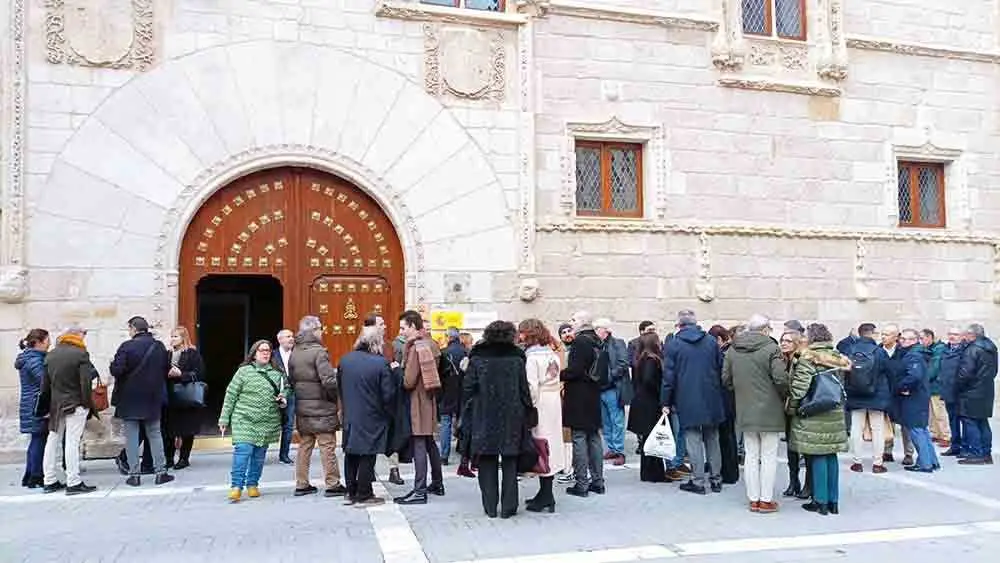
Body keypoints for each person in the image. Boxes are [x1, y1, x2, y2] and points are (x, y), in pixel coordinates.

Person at [461, 321, 532, 518]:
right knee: (510, 461)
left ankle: (490, 506)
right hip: (512, 414)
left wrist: (468, 410)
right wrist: (528, 411)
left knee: (486, 459)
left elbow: (467, 387)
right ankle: (508, 507)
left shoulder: (478, 357)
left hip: (484, 413)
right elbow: (524, 389)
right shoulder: (517, 357)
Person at [722, 315, 787, 513]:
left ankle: (753, 498)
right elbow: (780, 379)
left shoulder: (733, 349)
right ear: (766, 329)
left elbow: (726, 379)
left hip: (745, 407)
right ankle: (765, 499)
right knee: (768, 455)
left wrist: (741, 392)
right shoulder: (772, 348)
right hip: (770, 408)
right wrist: (783, 396)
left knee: (751, 455)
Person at [661, 310, 725, 496]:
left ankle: (698, 481)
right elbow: (720, 367)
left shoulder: (674, 344)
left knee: (693, 439)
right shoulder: (711, 341)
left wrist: (665, 401)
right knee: (712, 438)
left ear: (679, 325)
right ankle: (716, 479)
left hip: (686, 397)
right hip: (711, 395)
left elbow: (669, 377)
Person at [788, 324, 849, 516]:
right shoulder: (838, 357)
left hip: (813, 411)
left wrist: (791, 408)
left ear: (810, 339)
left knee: (818, 454)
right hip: (834, 410)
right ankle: (833, 501)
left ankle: (820, 501)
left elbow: (799, 389)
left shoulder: (808, 358)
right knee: (831, 454)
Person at [110, 316, 174, 487]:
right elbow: (166, 369)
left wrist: (112, 364)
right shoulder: (158, 346)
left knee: (132, 436)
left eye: (129, 328)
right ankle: (161, 472)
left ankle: (134, 475)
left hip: (130, 398)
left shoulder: (126, 347)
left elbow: (117, 370)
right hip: (152, 396)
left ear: (133, 328)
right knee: (155, 434)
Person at [219, 340, 285, 502]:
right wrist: (224, 418)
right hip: (244, 419)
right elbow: (231, 394)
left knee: (259, 456)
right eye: (261, 350)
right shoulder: (243, 372)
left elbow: (287, 389)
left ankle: (253, 483)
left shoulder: (277, 373)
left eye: (268, 351)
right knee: (243, 451)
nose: (265, 353)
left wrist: (283, 397)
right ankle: (236, 486)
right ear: (254, 354)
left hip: (267, 421)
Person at [339, 326, 397, 507]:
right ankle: (364, 494)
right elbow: (388, 394)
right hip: (373, 415)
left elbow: (339, 387)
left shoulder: (345, 360)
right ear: (377, 343)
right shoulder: (380, 363)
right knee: (368, 454)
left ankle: (350, 492)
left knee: (351, 452)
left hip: (350, 413)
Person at [289, 315, 347, 497]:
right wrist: (334, 398)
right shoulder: (319, 352)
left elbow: (292, 380)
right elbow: (328, 381)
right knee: (327, 446)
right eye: (320, 328)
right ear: (314, 330)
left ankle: (301, 483)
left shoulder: (295, 352)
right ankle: (332, 483)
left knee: (305, 446)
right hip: (322, 407)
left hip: (303, 407)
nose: (322, 332)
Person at [394, 310, 446, 505]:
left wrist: (397, 370)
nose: (401, 332)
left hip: (418, 400)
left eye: (403, 328)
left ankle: (419, 490)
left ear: (413, 326)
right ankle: (437, 483)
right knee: (429, 442)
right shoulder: (431, 343)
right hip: (430, 398)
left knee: (419, 443)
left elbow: (409, 381)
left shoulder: (417, 347)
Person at [41, 325, 99, 495]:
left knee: (52, 440)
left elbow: (45, 386)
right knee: (72, 442)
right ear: (76, 335)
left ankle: (49, 480)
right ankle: (73, 482)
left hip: (56, 404)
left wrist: (46, 406)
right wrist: (87, 405)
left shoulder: (51, 355)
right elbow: (85, 384)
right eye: (83, 334)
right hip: (75, 403)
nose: (84, 338)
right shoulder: (81, 354)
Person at [519, 319, 564, 513]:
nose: (520, 336)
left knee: (541, 447)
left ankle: (546, 495)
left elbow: (532, 386)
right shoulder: (551, 353)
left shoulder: (532, 358)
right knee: (551, 446)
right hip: (553, 401)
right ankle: (545, 493)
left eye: (522, 332)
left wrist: (528, 408)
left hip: (541, 404)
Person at [560, 311, 605, 497]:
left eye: (573, 320)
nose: (571, 323)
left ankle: (581, 484)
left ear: (582, 322)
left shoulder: (580, 341)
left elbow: (576, 370)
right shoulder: (596, 340)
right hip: (593, 393)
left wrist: (559, 375)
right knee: (594, 437)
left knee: (579, 437)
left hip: (579, 394)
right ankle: (598, 481)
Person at [364, 314, 406, 486]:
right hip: (372, 397)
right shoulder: (364, 346)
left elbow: (394, 364)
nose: (385, 326)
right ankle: (369, 470)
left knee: (392, 434)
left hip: (389, 395)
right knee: (371, 435)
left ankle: (394, 470)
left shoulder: (389, 345)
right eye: (381, 324)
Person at [844, 323, 891, 474]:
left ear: (859, 333)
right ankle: (877, 463)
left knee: (856, 429)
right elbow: (889, 372)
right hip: (876, 395)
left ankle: (857, 462)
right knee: (877, 429)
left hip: (855, 393)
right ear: (872, 333)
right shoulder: (879, 351)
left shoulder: (850, 350)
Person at [628, 332, 670, 483]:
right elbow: (649, 380)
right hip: (650, 402)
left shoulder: (641, 359)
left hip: (642, 401)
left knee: (648, 438)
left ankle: (648, 473)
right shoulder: (652, 360)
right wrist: (660, 393)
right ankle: (656, 473)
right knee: (654, 438)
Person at [897, 329, 939, 473]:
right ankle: (931, 461)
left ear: (915, 340)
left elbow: (914, 376)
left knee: (916, 430)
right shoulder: (918, 353)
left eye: (907, 339)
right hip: (920, 395)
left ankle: (925, 464)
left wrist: (902, 386)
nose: (903, 342)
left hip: (913, 396)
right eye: (902, 339)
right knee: (922, 429)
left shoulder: (913, 355)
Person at [163, 326, 205, 470]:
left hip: (187, 397)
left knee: (187, 428)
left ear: (183, 338)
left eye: (175, 336)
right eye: (172, 336)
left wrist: (182, 374)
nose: (172, 339)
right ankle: (169, 458)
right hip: (170, 396)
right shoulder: (167, 354)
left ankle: (184, 458)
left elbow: (200, 373)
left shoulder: (192, 353)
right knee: (169, 429)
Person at [956, 323, 997, 465]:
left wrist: (958, 387)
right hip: (986, 390)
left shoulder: (972, 349)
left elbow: (965, 373)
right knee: (982, 422)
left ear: (972, 335)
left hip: (971, 392)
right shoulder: (991, 348)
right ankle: (986, 453)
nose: (964, 337)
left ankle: (976, 453)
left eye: (966, 335)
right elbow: (994, 370)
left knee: (970, 422)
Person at [17, 329, 50, 489]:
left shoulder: (28, 357)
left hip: (31, 403)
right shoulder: (34, 360)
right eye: (47, 341)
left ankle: (30, 475)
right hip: (36, 405)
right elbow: (43, 381)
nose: (49, 344)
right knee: (39, 439)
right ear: (38, 342)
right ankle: (36, 476)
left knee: (36, 439)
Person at [779, 331, 810, 499]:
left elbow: (801, 387)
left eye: (788, 341)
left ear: (796, 343)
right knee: (791, 448)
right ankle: (793, 481)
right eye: (782, 340)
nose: (784, 343)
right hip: (787, 408)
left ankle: (808, 485)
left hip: (800, 408)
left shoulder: (801, 359)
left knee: (804, 448)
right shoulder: (782, 360)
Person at [594, 318, 628, 466]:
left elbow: (623, 364)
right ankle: (612, 448)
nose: (595, 332)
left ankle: (619, 451)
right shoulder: (596, 345)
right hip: (599, 389)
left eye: (597, 329)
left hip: (613, 388)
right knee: (605, 422)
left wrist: (608, 377)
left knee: (617, 421)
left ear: (606, 330)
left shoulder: (618, 343)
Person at [710, 324, 740, 485]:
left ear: (719, 339)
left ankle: (728, 472)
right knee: (728, 435)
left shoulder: (725, 353)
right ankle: (730, 470)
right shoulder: (731, 351)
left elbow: (724, 378)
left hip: (725, 398)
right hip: (729, 397)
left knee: (726, 436)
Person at [439, 327, 467, 465]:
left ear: (448, 337)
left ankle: (444, 456)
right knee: (464, 421)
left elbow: (440, 374)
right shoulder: (466, 352)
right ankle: (464, 453)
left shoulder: (444, 353)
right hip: (463, 390)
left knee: (446, 422)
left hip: (447, 391)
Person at [939, 328, 967, 457]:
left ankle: (965, 447)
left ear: (962, 336)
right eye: (950, 334)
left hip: (960, 391)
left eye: (955, 334)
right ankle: (955, 445)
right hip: (947, 391)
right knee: (952, 420)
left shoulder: (965, 350)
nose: (952, 336)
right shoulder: (945, 350)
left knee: (965, 421)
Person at [921, 329, 950, 447]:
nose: (921, 341)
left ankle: (945, 436)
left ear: (929, 337)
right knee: (932, 412)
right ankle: (935, 433)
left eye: (922, 338)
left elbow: (934, 368)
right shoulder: (930, 349)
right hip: (930, 386)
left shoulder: (939, 349)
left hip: (937, 385)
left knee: (939, 412)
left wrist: (924, 379)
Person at [273, 328, 296, 465]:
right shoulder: (272, 355)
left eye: (292, 336)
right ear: (280, 339)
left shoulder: (297, 354)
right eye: (288, 336)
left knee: (288, 424)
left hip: (293, 392)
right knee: (271, 423)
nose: (291, 338)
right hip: (277, 393)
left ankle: (284, 455)